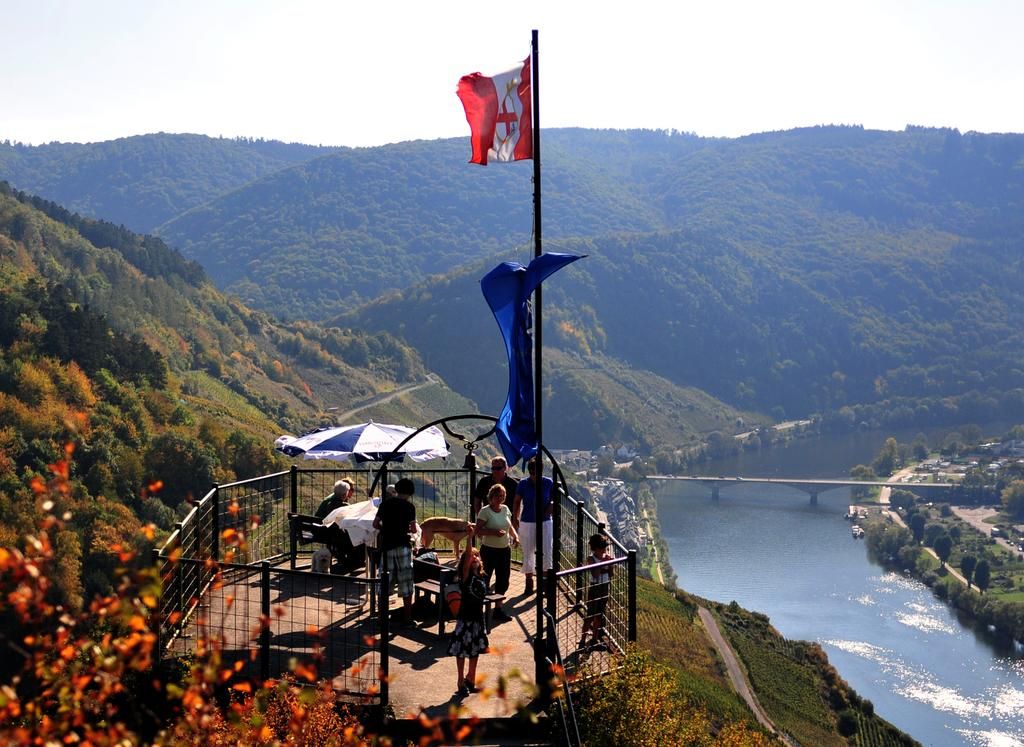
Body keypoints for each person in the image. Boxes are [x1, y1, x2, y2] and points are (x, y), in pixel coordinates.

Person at [373, 477, 418, 625]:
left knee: (384, 582)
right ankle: (408, 618)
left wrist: (385, 529)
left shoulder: (385, 504)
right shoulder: (410, 507)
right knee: (406, 581)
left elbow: (375, 524)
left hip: (386, 546)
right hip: (403, 546)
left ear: (397, 490)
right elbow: (412, 529)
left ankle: (381, 618)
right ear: (411, 492)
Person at [447, 546, 489, 697]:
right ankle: (460, 682)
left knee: (475, 650)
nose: (475, 558)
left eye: (477, 555)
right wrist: (470, 536)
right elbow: (466, 563)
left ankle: (470, 680)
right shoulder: (466, 577)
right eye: (471, 556)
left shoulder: (482, 576)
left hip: (478, 619)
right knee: (461, 650)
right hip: (466, 619)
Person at [474, 483, 518, 621]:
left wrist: (515, 536)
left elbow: (509, 525)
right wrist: (493, 532)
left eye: (502, 496)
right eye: (498, 495)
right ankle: (478, 610)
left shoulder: (505, 509)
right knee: (484, 579)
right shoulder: (485, 511)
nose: (500, 498)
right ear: (491, 496)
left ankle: (498, 609)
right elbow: (477, 531)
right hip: (488, 550)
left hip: (504, 550)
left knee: (503, 579)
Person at [513, 457, 554, 595]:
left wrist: (550, 507)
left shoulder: (548, 483)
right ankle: (529, 582)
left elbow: (554, 499)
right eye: (532, 471)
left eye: (537, 471)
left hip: (545, 521)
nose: (534, 474)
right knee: (528, 551)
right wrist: (515, 517)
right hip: (527, 521)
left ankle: (544, 583)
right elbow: (517, 501)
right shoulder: (523, 484)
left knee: (546, 551)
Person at [578, 533, 613, 651]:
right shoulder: (591, 559)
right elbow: (595, 574)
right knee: (590, 616)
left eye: (606, 548)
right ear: (596, 548)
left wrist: (610, 564)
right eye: (603, 548)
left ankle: (594, 639)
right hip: (595, 587)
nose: (605, 550)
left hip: (604, 586)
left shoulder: (604, 556)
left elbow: (611, 574)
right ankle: (582, 641)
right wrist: (603, 563)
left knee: (599, 615)